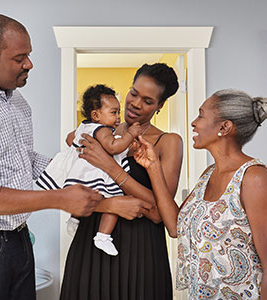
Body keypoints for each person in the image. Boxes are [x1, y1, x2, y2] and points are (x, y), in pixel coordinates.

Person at [0, 14, 112, 300]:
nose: (29, 64)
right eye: (20, 57)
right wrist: (60, 198)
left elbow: (24, 160)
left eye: (29, 55)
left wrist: (79, 167)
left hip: (18, 237)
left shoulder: (17, 102)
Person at [133, 89, 267, 299]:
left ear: (225, 127)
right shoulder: (208, 175)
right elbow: (175, 227)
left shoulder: (254, 179)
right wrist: (153, 167)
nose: (193, 123)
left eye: (201, 115)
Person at [60, 63, 183, 300]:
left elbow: (159, 212)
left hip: (141, 252)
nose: (136, 103)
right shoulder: (98, 133)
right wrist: (108, 204)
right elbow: (71, 186)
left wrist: (109, 166)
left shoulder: (168, 142)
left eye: (148, 101)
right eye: (134, 93)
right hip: (91, 243)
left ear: (160, 105)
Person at [36, 84, 142, 256]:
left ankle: (74, 218)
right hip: (96, 174)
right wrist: (130, 135)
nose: (118, 117)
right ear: (96, 115)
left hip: (82, 173)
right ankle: (103, 235)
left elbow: (69, 138)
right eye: (114, 112)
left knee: (85, 196)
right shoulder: (102, 130)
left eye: (118, 112)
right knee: (115, 200)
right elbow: (113, 147)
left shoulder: (84, 127)